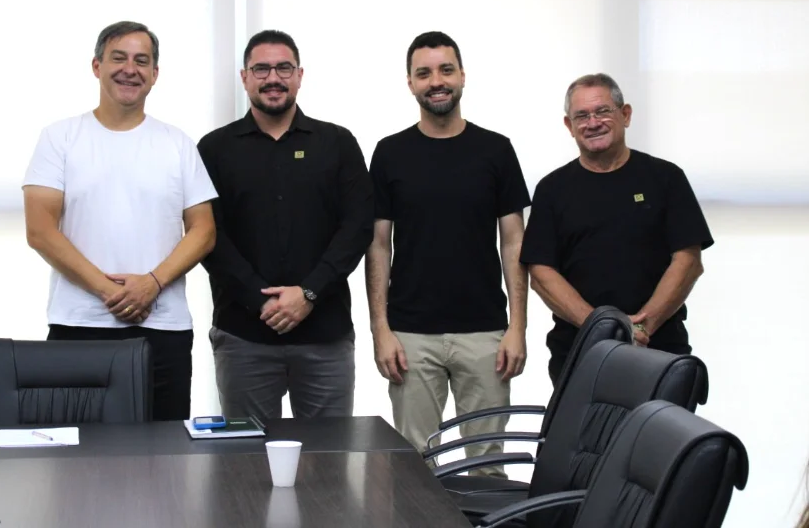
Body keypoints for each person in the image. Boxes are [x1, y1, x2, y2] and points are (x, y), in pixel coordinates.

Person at [22, 21, 218, 421]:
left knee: (163, 451)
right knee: (77, 452)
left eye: (142, 61)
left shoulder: (178, 143)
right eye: (119, 58)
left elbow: (203, 230)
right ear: (97, 66)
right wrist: (110, 291)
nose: (131, 69)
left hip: (163, 328)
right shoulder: (60, 138)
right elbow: (40, 231)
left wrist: (152, 284)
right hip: (78, 323)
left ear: (155, 74)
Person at [365, 31, 530, 475]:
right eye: (424, 73)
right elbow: (377, 245)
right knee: (413, 470)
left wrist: (517, 326)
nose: (436, 81)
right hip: (411, 336)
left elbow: (514, 241)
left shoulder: (496, 150)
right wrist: (381, 329)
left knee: (488, 467)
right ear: (410, 83)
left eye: (445, 70)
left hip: (485, 334)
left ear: (462, 76)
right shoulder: (389, 153)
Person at [197, 29, 373, 420]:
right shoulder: (214, 149)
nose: (273, 78)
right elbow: (207, 235)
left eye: (284, 68)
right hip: (243, 337)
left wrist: (309, 292)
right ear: (245, 77)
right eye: (261, 69)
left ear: (300, 75)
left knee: (329, 454)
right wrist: (261, 300)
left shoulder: (337, 143)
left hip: (325, 337)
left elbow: (357, 227)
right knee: (245, 453)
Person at [520, 73, 713, 385]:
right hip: (579, 354)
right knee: (582, 423)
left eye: (602, 111)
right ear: (569, 126)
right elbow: (542, 274)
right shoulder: (552, 190)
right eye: (582, 116)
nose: (593, 123)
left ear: (626, 115)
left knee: (662, 421)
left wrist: (642, 328)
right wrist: (602, 329)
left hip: (661, 351)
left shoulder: (666, 178)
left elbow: (688, 261)